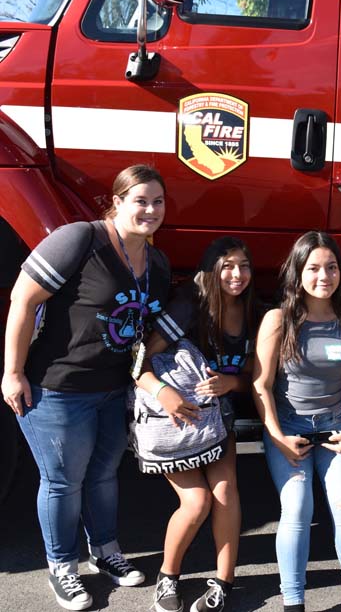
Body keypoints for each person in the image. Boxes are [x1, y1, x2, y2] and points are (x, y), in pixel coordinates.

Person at [1, 165, 171, 611]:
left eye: (157, 202)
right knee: (62, 482)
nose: (150, 210)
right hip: (58, 389)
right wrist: (13, 372)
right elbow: (23, 300)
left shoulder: (156, 262)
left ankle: (106, 553)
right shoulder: (81, 239)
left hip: (113, 390)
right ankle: (62, 567)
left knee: (102, 476)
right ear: (115, 203)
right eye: (140, 200)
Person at [137, 236, 260, 612]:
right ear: (211, 271)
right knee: (196, 502)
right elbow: (138, 361)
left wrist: (232, 383)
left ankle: (224, 582)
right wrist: (164, 393)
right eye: (227, 266)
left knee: (226, 492)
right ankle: (167, 576)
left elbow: (255, 376)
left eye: (243, 265)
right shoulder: (189, 309)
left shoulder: (256, 312)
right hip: (176, 421)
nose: (236, 274)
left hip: (218, 420)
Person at [252, 231, 341, 612]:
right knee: (297, 511)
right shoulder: (278, 320)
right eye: (314, 268)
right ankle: (293, 602)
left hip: (338, 427)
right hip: (290, 431)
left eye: (332, 267)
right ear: (298, 271)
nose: (324, 276)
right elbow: (262, 385)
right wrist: (277, 436)